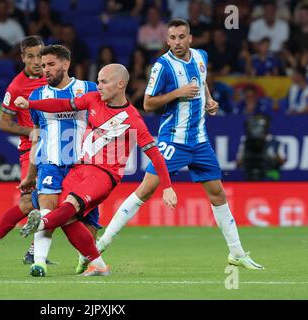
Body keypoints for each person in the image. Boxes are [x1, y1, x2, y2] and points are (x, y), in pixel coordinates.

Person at [94, 19, 265, 270]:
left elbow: (202, 78)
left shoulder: (201, 56)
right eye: (172, 38)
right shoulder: (162, 66)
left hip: (200, 140)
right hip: (173, 139)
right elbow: (148, 103)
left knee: (217, 193)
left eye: (181, 37)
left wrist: (209, 99)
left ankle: (237, 252)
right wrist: (178, 92)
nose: (177, 43)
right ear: (167, 40)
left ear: (190, 38)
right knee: (146, 190)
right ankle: (98, 247)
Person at [15, 63, 177, 276]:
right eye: (98, 81)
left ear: (120, 84)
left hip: (104, 174)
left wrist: (167, 187)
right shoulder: (93, 100)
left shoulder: (133, 119)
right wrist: (31, 104)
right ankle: (98, 265)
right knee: (65, 217)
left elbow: (155, 155)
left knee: (69, 206)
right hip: (80, 168)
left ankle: (41, 223)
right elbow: (62, 104)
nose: (98, 86)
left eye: (103, 82)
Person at [16, 44, 101, 277]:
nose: (46, 70)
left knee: (89, 222)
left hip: (84, 166)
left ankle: (87, 259)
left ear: (66, 64)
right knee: (47, 208)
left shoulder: (88, 89)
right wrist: (30, 175)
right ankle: (39, 262)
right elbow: (37, 136)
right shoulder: (37, 96)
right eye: (43, 66)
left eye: (51, 64)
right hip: (50, 162)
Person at [0, 36, 48, 266]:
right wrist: (30, 131)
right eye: (30, 56)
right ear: (22, 58)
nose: (36, 61)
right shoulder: (17, 87)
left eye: (39, 55)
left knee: (51, 201)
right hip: (31, 149)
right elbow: (4, 123)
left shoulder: (53, 75)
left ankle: (34, 252)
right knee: (29, 203)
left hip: (58, 148)